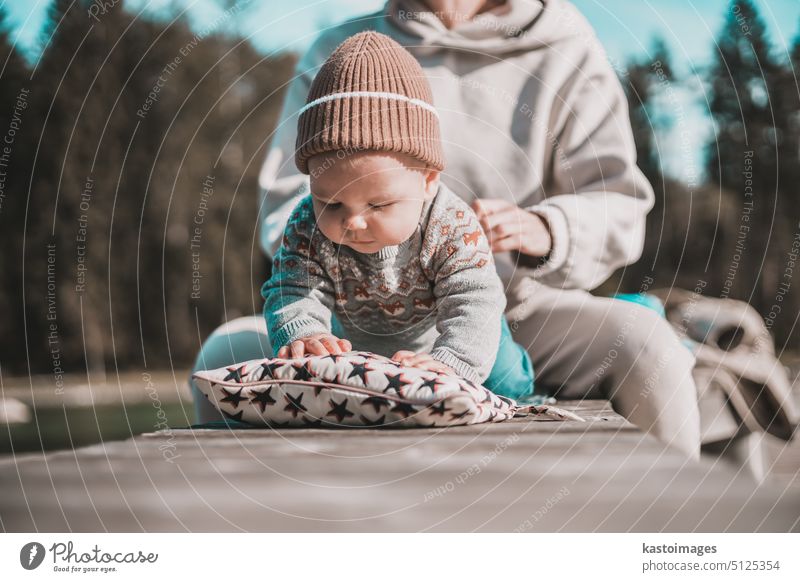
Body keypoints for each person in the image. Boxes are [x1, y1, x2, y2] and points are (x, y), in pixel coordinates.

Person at [191, 0, 701, 460]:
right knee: (219, 354)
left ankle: (674, 534)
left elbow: (618, 204)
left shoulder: (565, 43)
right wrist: (320, 310)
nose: (353, 215)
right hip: (348, 319)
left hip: (517, 307)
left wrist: (544, 228)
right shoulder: (337, 52)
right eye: (335, 203)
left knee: (644, 342)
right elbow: (285, 204)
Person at [261, 31, 534, 398]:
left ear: (428, 182)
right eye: (332, 203)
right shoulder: (306, 223)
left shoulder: (451, 224)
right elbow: (291, 288)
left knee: (506, 382)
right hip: (358, 337)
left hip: (455, 333)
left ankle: (522, 377)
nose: (353, 222)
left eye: (378, 204)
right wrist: (305, 334)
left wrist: (452, 363)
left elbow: (473, 299)